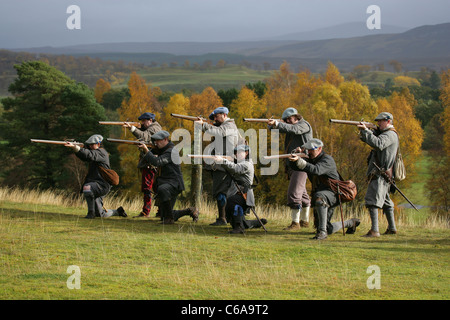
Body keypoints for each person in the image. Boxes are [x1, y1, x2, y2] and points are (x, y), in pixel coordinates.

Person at [289, 138, 360, 240]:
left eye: (311, 150)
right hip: (323, 195)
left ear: (319, 149)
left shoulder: (327, 160)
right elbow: (296, 167)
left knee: (319, 197)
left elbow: (316, 170)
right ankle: (350, 223)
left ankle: (322, 233)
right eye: (308, 150)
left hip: (333, 193)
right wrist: (295, 157)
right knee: (328, 228)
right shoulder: (310, 159)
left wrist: (300, 161)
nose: (309, 152)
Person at [138, 130, 199, 224]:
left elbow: (157, 162)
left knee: (162, 190)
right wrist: (144, 151)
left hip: (174, 184)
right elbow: (148, 160)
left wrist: (146, 150)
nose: (156, 143)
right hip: (167, 183)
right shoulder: (162, 149)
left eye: (158, 141)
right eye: (155, 141)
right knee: (164, 215)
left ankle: (169, 220)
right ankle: (190, 211)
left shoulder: (171, 151)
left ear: (165, 140)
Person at [268, 107, 313, 230]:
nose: (287, 121)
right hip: (293, 164)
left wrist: (278, 124)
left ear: (296, 117)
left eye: (289, 118)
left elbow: (294, 129)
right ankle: (305, 221)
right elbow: (280, 130)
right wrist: (272, 125)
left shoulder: (304, 125)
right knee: (302, 194)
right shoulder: (290, 125)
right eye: (285, 119)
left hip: (302, 163)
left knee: (294, 193)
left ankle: (295, 223)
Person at [357, 112, 399, 237]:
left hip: (380, 172)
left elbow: (378, 144)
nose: (379, 123)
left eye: (381, 121)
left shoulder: (390, 134)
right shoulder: (385, 134)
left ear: (388, 121)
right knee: (386, 202)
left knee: (372, 201)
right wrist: (365, 132)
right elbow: (373, 141)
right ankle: (392, 228)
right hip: (382, 172)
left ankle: (374, 230)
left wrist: (366, 131)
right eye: (378, 121)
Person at [65, 134, 127, 219]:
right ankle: (118, 212)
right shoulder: (94, 152)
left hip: (102, 185)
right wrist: (75, 148)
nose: (90, 146)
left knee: (87, 187)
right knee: (100, 214)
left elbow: (90, 155)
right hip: (96, 185)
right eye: (89, 145)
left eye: (92, 144)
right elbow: (85, 156)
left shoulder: (102, 152)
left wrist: (76, 147)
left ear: (98, 144)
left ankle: (90, 214)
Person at [195, 106, 239, 226]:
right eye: (213, 117)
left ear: (225, 115)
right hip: (221, 164)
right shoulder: (222, 126)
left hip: (226, 164)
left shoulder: (229, 126)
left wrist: (203, 125)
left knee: (222, 193)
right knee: (221, 192)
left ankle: (223, 218)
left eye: (217, 116)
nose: (215, 118)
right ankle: (224, 218)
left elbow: (219, 132)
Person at [213, 144, 267, 234]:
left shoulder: (247, 164)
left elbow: (235, 169)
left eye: (240, 152)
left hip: (245, 194)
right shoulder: (239, 162)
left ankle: (239, 227)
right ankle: (251, 224)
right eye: (236, 153)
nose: (237, 154)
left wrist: (222, 160)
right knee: (230, 205)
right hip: (238, 192)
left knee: (232, 201)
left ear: (246, 153)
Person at [123, 112, 162, 218]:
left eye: (144, 121)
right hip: (151, 162)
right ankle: (159, 211)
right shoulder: (152, 127)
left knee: (148, 188)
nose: (142, 123)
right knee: (153, 187)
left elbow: (144, 136)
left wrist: (132, 128)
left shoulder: (154, 128)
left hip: (151, 163)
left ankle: (147, 211)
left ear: (150, 120)